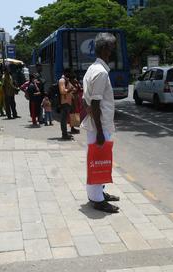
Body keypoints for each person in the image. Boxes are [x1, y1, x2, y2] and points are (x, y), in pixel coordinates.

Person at [81, 33, 120, 213]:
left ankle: (97, 194)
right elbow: (95, 102)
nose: (113, 53)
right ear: (105, 49)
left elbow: (85, 100)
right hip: (100, 125)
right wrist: (99, 132)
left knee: (97, 160)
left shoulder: (92, 69)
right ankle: (97, 200)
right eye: (112, 49)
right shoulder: (101, 72)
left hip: (98, 123)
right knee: (99, 161)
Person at [58, 68, 75, 139]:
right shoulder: (62, 80)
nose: (71, 74)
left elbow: (73, 88)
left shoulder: (66, 80)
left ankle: (65, 133)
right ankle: (64, 134)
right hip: (64, 102)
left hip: (68, 101)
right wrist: (69, 90)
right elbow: (62, 91)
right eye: (70, 73)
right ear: (66, 73)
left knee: (65, 119)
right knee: (63, 119)